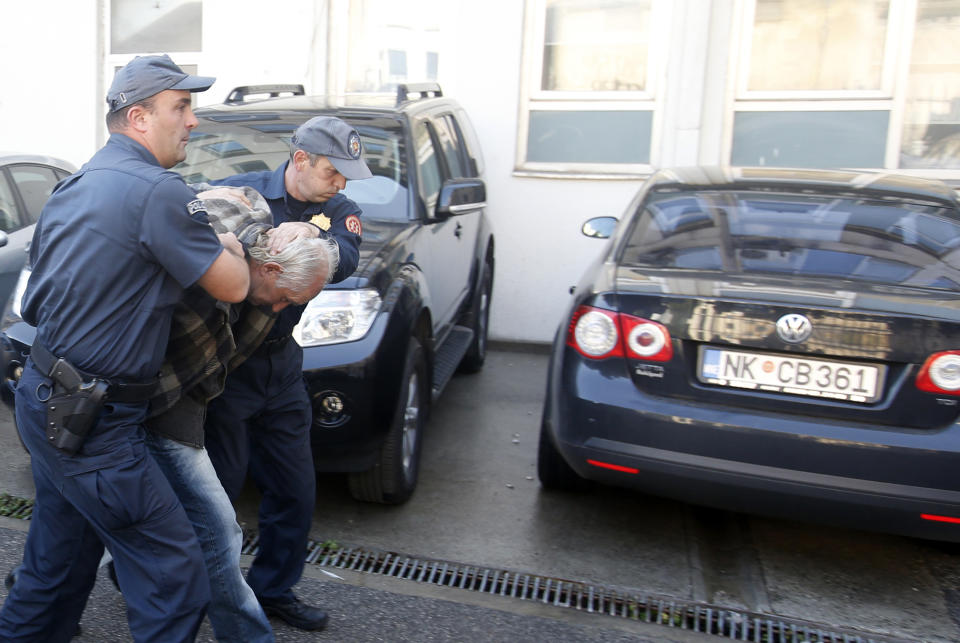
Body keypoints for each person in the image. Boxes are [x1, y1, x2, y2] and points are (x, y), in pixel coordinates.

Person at [0, 55, 250, 642]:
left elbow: (35, 303)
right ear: (139, 117)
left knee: (56, 568)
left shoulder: (75, 185)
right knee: (174, 576)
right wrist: (228, 240)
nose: (192, 121)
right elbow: (235, 286)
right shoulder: (159, 191)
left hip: (45, 402)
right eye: (181, 107)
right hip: (96, 424)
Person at [143, 185, 339, 642]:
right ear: (268, 268)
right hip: (169, 392)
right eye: (286, 298)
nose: (283, 309)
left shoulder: (282, 266)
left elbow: (342, 243)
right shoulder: (200, 275)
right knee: (207, 509)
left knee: (282, 493)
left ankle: (263, 596)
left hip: (263, 377)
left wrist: (314, 225)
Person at [203, 115, 372, 631]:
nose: (340, 183)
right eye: (332, 171)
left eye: (346, 174)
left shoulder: (339, 209)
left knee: (295, 489)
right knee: (218, 492)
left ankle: (273, 589)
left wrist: (311, 246)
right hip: (229, 366)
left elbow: (345, 257)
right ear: (300, 161)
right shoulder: (245, 194)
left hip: (281, 365)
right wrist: (267, 234)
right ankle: (190, 586)